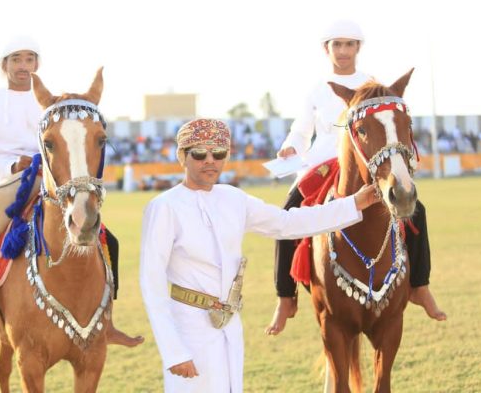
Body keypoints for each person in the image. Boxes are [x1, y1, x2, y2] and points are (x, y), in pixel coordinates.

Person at [139, 118, 380, 392]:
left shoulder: (233, 198)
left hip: (229, 325)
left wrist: (354, 204)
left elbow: (287, 223)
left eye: (218, 153)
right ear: (182, 156)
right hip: (188, 328)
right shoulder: (164, 207)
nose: (210, 161)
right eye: (199, 154)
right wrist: (174, 351)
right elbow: (151, 282)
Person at [0, 36, 142, 371]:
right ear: (4, 66)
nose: (23, 66)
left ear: (36, 64)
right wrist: (12, 165)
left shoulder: (52, 104)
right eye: (16, 60)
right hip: (5, 180)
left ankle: (106, 323)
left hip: (51, 179)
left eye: (29, 59)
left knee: (107, 238)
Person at [265, 20, 447, 337]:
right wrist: (291, 146)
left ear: (358, 48)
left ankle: (419, 286)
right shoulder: (316, 89)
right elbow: (301, 130)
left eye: (349, 44)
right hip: (321, 162)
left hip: (365, 161)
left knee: (417, 210)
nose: (343, 50)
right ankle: (285, 297)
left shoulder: (372, 85)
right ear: (327, 49)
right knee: (288, 214)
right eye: (337, 44)